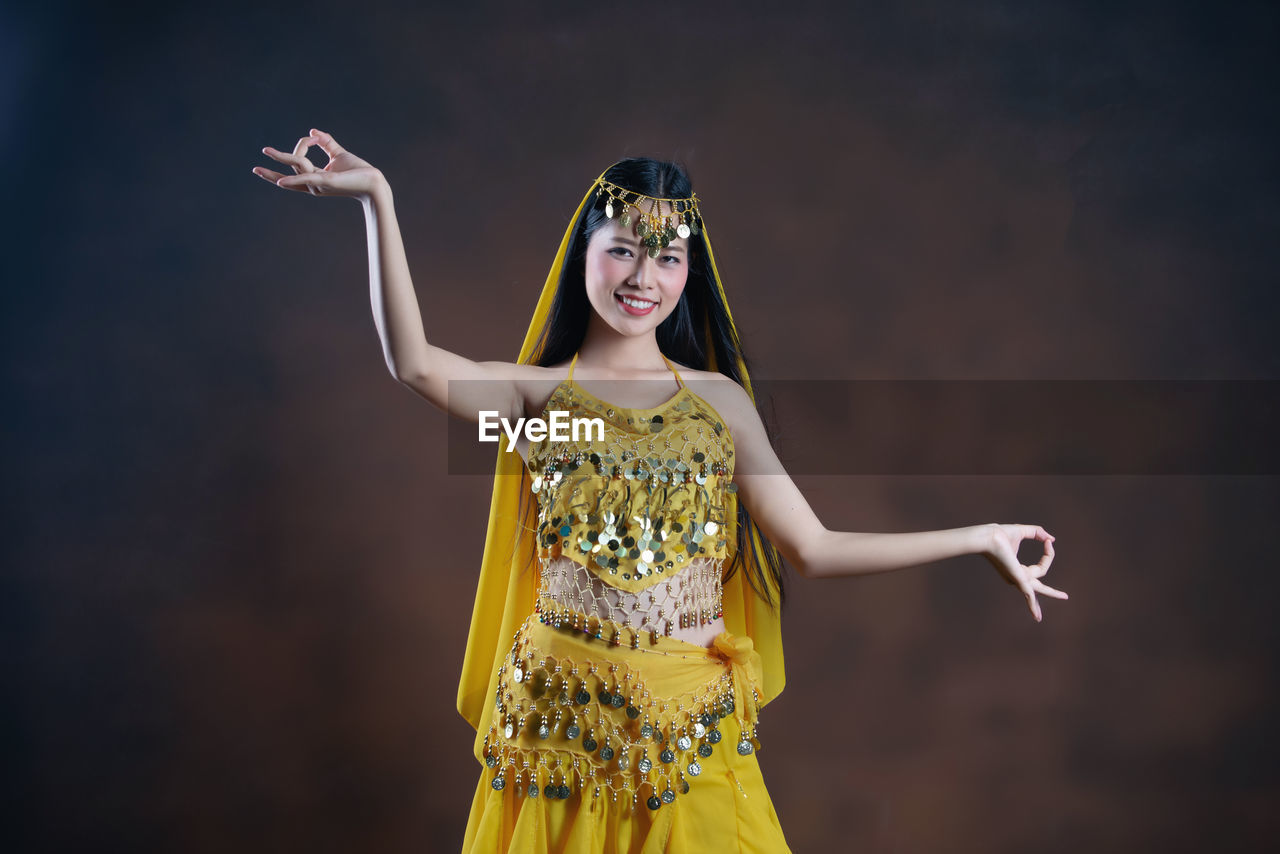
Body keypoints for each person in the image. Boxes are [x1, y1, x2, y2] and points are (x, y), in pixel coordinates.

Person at [253, 129, 1067, 853]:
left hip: (691, 726)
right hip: (559, 728)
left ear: (688, 271)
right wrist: (379, 203)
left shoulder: (717, 402)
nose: (645, 276)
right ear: (583, 255)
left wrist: (977, 537)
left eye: (668, 257)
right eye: (622, 250)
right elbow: (415, 364)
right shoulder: (545, 409)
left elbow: (811, 548)